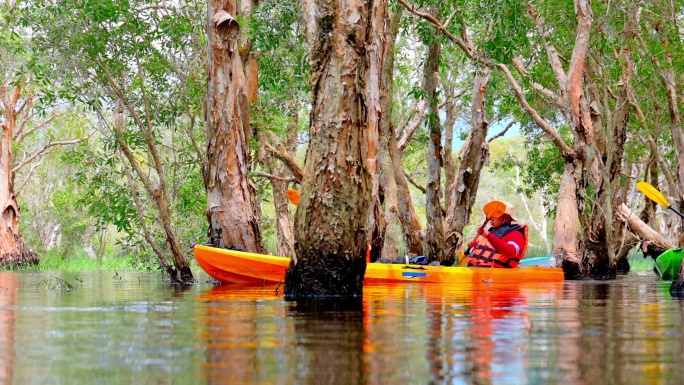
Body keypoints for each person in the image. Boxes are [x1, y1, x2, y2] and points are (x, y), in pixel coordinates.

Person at [466, 200, 528, 268]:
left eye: (497, 214)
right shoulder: (491, 232)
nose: (491, 218)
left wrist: (488, 235)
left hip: (495, 275)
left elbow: (511, 252)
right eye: (491, 215)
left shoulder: (516, 234)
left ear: (506, 217)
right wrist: (476, 244)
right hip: (476, 271)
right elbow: (488, 251)